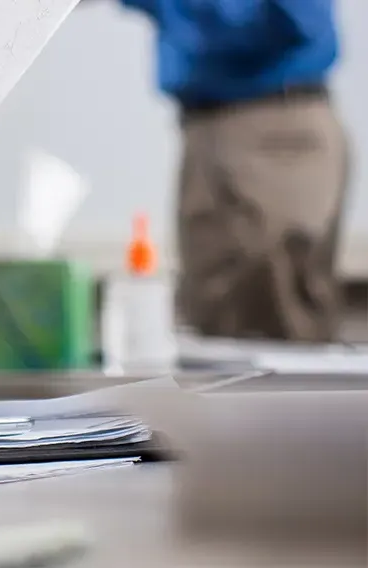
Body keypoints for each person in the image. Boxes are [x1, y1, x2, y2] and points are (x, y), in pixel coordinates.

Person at [115, 0, 350, 341]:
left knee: (271, 325)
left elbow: (297, 20)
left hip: (270, 127)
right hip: (211, 125)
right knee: (221, 317)